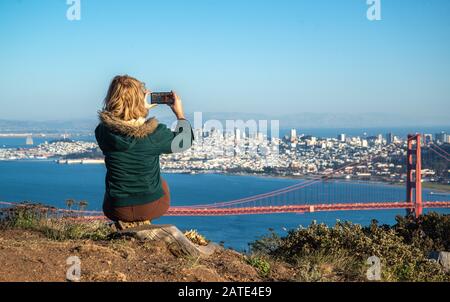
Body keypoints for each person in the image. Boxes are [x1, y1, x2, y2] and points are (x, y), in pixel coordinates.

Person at [95, 75, 192, 230]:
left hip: (115, 208)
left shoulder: (103, 133)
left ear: (111, 98)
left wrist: (136, 109)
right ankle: (144, 222)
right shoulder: (155, 134)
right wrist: (179, 114)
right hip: (151, 207)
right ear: (140, 98)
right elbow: (185, 141)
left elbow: (119, 124)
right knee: (162, 183)